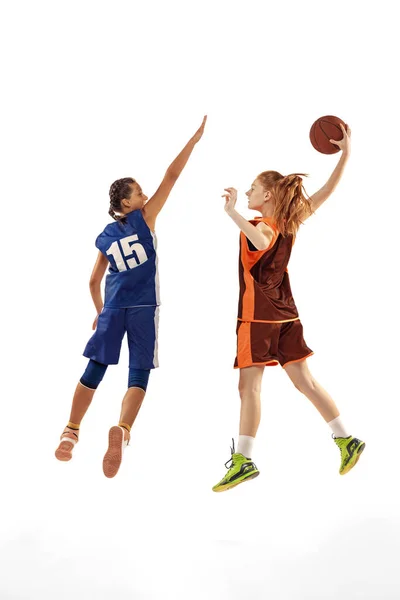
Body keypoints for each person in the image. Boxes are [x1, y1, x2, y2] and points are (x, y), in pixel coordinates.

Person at [212, 123, 365, 493]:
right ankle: (347, 439)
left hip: (258, 319)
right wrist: (346, 154)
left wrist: (232, 213)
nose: (247, 191)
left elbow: (261, 240)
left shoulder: (263, 224)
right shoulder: (290, 220)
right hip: (287, 317)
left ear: (266, 194)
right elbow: (326, 191)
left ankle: (243, 460)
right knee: (305, 383)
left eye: (252, 189)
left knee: (249, 388)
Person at [55, 116, 207, 478]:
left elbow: (93, 281)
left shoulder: (107, 235)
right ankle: (122, 431)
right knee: (138, 375)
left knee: (94, 370)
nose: (145, 196)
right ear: (128, 201)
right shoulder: (145, 218)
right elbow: (172, 176)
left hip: (112, 309)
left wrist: (100, 312)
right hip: (143, 309)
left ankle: (70, 431)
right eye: (139, 193)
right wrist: (194, 140)